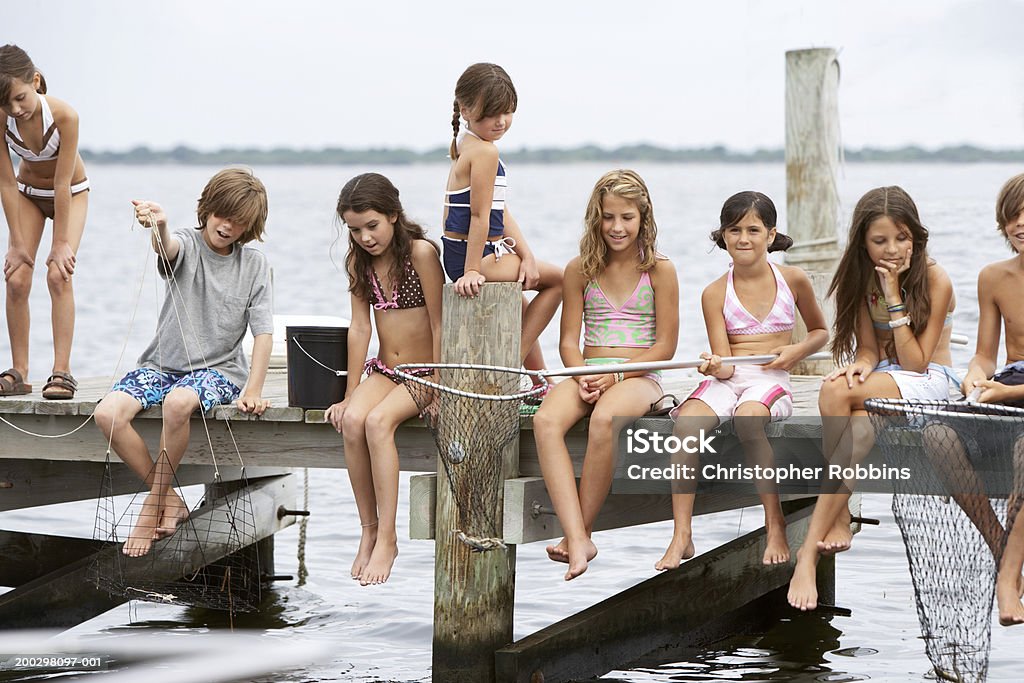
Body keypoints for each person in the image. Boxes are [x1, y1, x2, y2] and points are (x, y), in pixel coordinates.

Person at [788, 185, 957, 611]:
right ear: (863, 242)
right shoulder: (863, 281)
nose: (893, 249)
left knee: (833, 392)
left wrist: (895, 293)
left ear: (916, 236)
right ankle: (830, 526)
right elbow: (868, 347)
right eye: (880, 240)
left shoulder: (935, 278)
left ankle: (817, 540)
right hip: (885, 379)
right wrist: (861, 365)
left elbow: (917, 363)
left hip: (931, 383)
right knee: (849, 416)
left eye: (902, 238)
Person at [93, 168, 273, 558]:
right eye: (222, 215)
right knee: (107, 414)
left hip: (219, 371)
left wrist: (254, 388)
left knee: (178, 404)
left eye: (239, 221)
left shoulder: (254, 265)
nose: (228, 226)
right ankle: (169, 500)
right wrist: (159, 224)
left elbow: (263, 333)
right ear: (206, 210)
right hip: (162, 365)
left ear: (250, 226)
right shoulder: (187, 245)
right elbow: (167, 246)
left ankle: (148, 509)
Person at [656, 191, 828, 571]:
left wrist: (796, 352)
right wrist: (714, 366)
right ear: (723, 236)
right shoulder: (714, 292)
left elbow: (820, 332)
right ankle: (681, 533)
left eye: (753, 229)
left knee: (749, 418)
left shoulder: (793, 279)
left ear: (771, 234)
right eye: (734, 230)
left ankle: (775, 523)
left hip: (770, 379)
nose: (744, 238)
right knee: (686, 425)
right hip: (730, 377)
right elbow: (728, 367)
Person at [534, 169, 678, 580]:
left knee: (604, 420)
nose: (617, 227)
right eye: (608, 217)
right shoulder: (580, 268)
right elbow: (567, 340)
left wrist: (616, 378)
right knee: (546, 421)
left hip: (638, 377)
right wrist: (580, 374)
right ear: (595, 217)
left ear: (643, 219)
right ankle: (578, 537)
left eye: (627, 218)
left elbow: (665, 347)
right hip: (587, 372)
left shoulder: (660, 270)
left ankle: (582, 531)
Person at [324, 173, 444, 586]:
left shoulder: (421, 254)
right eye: (354, 230)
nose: (364, 237)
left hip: (426, 371)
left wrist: (442, 385)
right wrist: (349, 392)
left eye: (371, 226)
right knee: (352, 420)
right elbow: (360, 329)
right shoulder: (360, 262)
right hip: (385, 370)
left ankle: (390, 538)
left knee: (377, 423)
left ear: (394, 215)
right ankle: (369, 530)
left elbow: (440, 322)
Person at [442, 62, 562, 387]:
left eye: (507, 112)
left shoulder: (465, 143)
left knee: (522, 306)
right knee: (561, 281)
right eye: (491, 113)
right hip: (476, 257)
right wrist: (470, 271)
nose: (500, 121)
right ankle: (510, 363)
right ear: (465, 109)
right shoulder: (485, 152)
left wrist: (527, 255)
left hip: (462, 253)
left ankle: (540, 381)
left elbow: (499, 210)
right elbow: (480, 217)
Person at [954, 171, 1024, 626]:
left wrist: (1007, 391)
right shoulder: (993, 277)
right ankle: (1004, 550)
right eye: (1013, 215)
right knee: (939, 437)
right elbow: (983, 353)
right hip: (1008, 384)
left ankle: (1006, 579)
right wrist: (975, 379)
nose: (1021, 223)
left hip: (1017, 391)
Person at [0, 45, 89, 399]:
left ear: (35, 81)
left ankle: (61, 372)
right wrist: (17, 243)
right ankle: (19, 372)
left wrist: (61, 243)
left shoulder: (65, 116)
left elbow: (63, 183)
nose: (16, 110)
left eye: (21, 98)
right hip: (28, 195)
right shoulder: (2, 117)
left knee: (57, 273)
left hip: (71, 192)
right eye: (8, 105)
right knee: (17, 277)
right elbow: (6, 182)